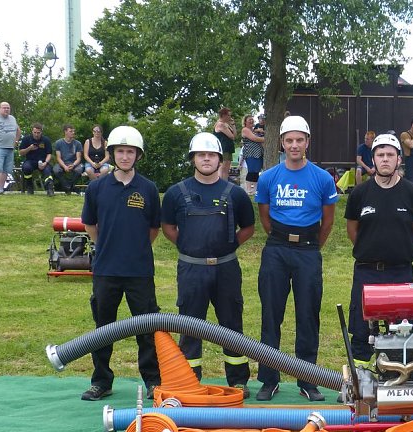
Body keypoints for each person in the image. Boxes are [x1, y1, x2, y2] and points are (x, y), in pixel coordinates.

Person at [161, 133, 255, 396]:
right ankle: (189, 381)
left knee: (232, 325)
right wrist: (187, 246)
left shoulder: (235, 194)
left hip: (226, 269)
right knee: (190, 326)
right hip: (191, 269)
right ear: (193, 158)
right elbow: (167, 226)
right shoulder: (175, 193)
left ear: (219, 159)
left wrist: (229, 246)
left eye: (211, 154)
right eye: (201, 154)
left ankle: (238, 381)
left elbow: (249, 227)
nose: (206, 158)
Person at [254, 115, 338, 402]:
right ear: (281, 143)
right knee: (271, 315)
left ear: (307, 143)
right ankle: (269, 378)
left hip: (308, 251)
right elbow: (264, 215)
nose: (294, 145)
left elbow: (328, 221)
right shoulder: (269, 178)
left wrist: (311, 246)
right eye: (289, 140)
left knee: (307, 315)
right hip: (276, 249)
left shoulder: (322, 178)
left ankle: (308, 380)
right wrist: (280, 239)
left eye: (299, 140)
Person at [80, 126, 161, 401]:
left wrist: (134, 249)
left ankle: (153, 380)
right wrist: (105, 246)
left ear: (138, 155)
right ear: (111, 153)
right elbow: (90, 223)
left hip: (139, 271)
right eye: (120, 151)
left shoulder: (148, 189)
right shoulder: (97, 187)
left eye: (130, 152)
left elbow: (153, 229)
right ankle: (101, 381)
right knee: (103, 328)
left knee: (147, 329)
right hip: (106, 270)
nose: (125, 156)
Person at [345, 133, 413, 361]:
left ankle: (399, 378)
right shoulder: (360, 193)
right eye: (380, 154)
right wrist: (371, 248)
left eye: (390, 154)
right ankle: (360, 384)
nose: (385, 159)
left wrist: (397, 248)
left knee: (402, 332)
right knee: (361, 333)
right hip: (366, 271)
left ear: (399, 159)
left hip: (400, 271)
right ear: (373, 159)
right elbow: (353, 230)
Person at [19, 123, 55, 196]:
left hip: (43, 161)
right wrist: (29, 148)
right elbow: (21, 152)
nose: (36, 134)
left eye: (38, 133)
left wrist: (45, 162)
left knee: (48, 170)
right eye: (35, 132)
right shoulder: (26, 139)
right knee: (26, 168)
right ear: (32, 131)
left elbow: (49, 154)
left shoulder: (46, 140)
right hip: (30, 161)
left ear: (41, 132)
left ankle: (50, 189)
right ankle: (30, 187)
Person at [53, 125, 84, 195]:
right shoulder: (58, 143)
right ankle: (69, 187)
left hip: (74, 163)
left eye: (73, 131)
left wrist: (73, 165)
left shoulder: (77, 143)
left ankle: (68, 187)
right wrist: (64, 166)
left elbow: (79, 158)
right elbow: (58, 158)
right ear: (65, 132)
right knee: (56, 170)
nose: (73, 133)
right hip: (62, 163)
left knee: (79, 169)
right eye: (71, 131)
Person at [240, 114, 265, 197]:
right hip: (250, 153)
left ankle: (254, 190)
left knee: (256, 172)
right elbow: (255, 139)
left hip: (258, 153)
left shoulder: (254, 130)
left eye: (252, 119)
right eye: (249, 119)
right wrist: (267, 138)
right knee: (252, 171)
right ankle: (249, 190)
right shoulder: (245, 130)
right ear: (245, 121)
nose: (251, 121)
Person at [213, 108, 237, 181]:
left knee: (227, 168)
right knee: (222, 167)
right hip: (223, 148)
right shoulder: (220, 124)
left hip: (228, 148)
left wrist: (233, 125)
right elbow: (231, 136)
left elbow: (235, 135)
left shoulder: (226, 124)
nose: (230, 117)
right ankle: (220, 183)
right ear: (223, 115)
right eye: (228, 115)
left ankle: (225, 183)